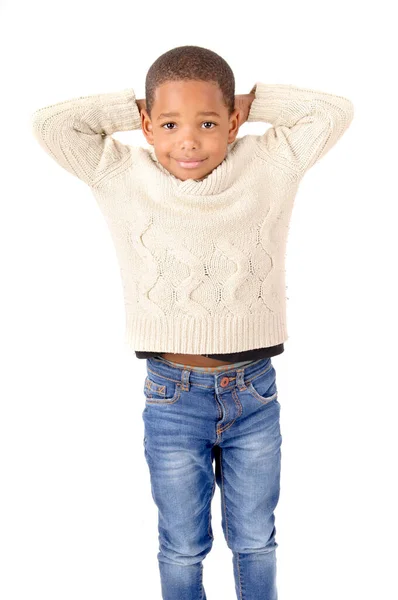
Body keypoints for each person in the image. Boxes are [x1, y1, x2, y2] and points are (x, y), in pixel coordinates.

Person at [31, 44, 354, 600]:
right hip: (171, 397)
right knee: (181, 544)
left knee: (256, 539)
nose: (188, 140)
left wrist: (252, 101)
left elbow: (333, 113)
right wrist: (137, 108)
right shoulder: (119, 173)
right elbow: (51, 125)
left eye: (208, 122)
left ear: (233, 122)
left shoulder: (269, 163)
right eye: (169, 124)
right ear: (146, 126)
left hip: (253, 391)